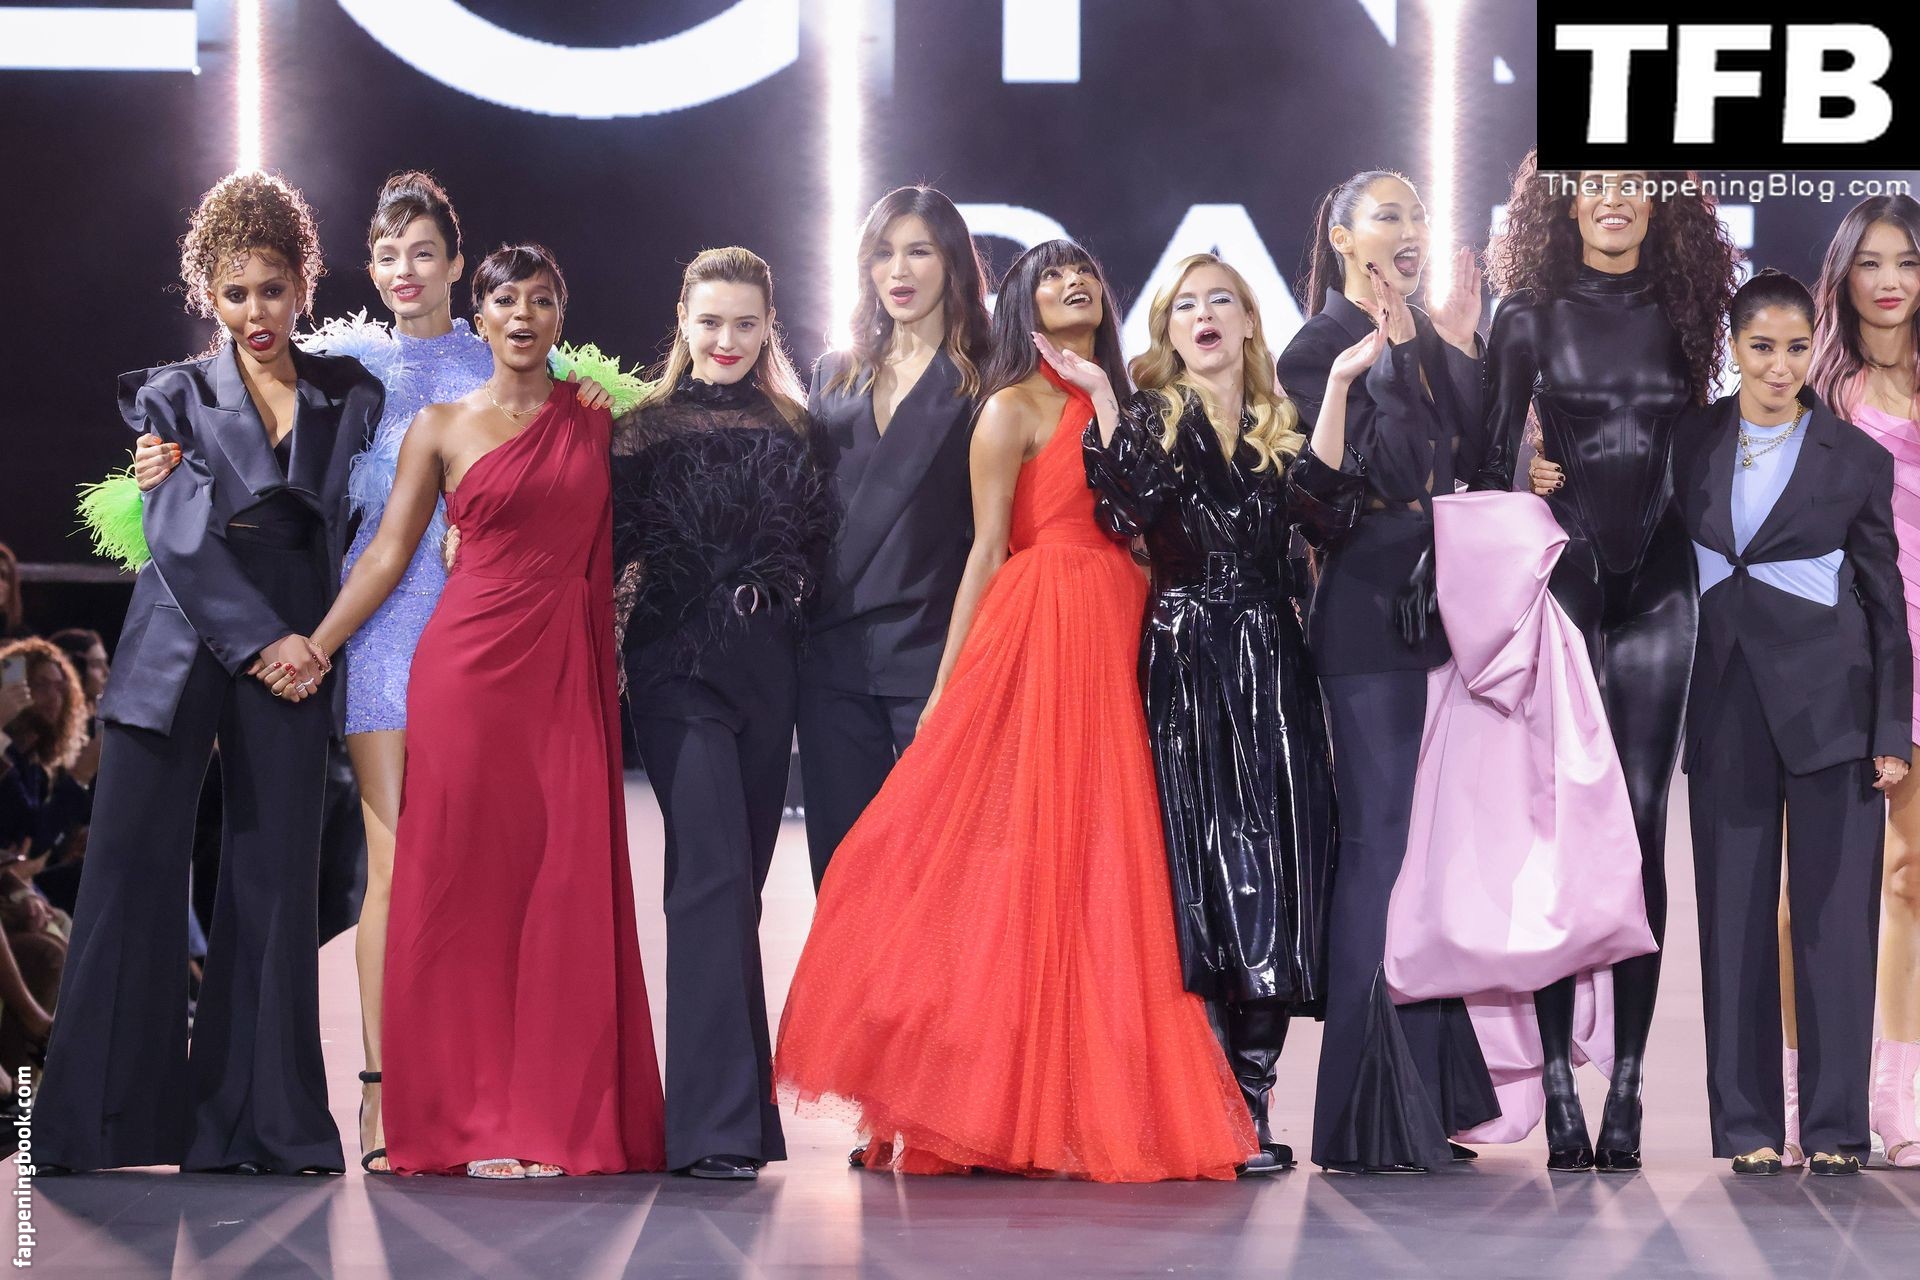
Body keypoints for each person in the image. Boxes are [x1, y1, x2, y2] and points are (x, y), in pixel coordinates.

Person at [127, 172, 615, 1172]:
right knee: (397, 864)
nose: (404, 271)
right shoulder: (345, 365)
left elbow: (585, 445)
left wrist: (602, 400)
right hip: (380, 630)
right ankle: (386, 1091)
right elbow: (241, 430)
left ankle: (489, 1083)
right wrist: (153, 461)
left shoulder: (515, 348)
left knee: (494, 862)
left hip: (498, 637)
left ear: (456, 263)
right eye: (387, 255)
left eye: (423, 252)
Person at [775, 238, 1258, 1183]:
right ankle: (967, 1100)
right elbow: (987, 548)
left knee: (1107, 865)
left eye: (1085, 273)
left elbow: (1147, 526)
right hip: (1040, 632)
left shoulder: (1137, 404)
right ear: (1021, 304)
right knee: (1007, 864)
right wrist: (948, 686)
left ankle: (1083, 1105)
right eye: (1050, 276)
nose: (1073, 283)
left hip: (1123, 630)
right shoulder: (1009, 407)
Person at [33, 171, 379, 1175]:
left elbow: (368, 513)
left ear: (303, 283)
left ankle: (261, 1128)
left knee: (276, 881)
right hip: (189, 637)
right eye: (235, 293)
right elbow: (178, 533)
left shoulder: (350, 395)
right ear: (207, 295)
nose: (255, 312)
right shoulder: (171, 394)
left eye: (272, 289)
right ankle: (96, 1127)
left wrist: (312, 640)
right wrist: (267, 641)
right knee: (128, 872)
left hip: (300, 648)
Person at [305, 243, 665, 1179]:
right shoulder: (439, 425)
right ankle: (467, 1118)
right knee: (466, 894)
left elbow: (641, 533)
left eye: (541, 301)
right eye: (506, 301)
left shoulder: (599, 419)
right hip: (464, 677)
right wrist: (318, 643)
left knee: (559, 885)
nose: (522, 316)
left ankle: (549, 1116)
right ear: (483, 315)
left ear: (560, 316)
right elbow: (388, 554)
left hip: (564, 675)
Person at [1478, 155, 1739, 1171]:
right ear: (1566, 201)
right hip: (1569, 581)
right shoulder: (1526, 316)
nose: (1616, 195)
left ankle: (1626, 1083)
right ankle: (1556, 1080)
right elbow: (1484, 469)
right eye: (1594, 180)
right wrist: (1523, 465)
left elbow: (1711, 440)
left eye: (1634, 179)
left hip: (1664, 586)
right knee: (1557, 826)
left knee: (1638, 829)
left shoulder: (1689, 311)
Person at [1082, 252, 1370, 1172]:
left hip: (1271, 657)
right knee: (1190, 864)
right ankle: (1198, 1102)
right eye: (1185, 305)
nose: (1203, 315)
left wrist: (1338, 388)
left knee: (1276, 863)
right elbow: (1124, 510)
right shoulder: (1152, 419)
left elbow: (1325, 516)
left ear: (1248, 320)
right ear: (1168, 330)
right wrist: (1104, 396)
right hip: (1181, 657)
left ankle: (1250, 1097)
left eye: (1221, 301)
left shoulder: (1281, 421)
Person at [1275, 169, 1498, 1173]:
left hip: (1449, 613)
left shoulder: (1429, 338)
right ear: (1341, 235)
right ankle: (1363, 1113)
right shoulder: (1318, 348)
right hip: (1370, 617)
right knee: (1378, 849)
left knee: (1429, 853)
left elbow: (1475, 459)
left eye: (1418, 212)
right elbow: (1386, 475)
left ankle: (1431, 1094)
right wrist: (1405, 355)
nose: (1410, 229)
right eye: (1388, 214)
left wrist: (1455, 346)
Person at [1674, 269, 1909, 1176]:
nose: (1780, 366)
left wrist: (1890, 730)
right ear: (1734, 349)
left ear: (1817, 347)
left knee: (1835, 923)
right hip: (1725, 703)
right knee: (1731, 919)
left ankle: (1839, 1130)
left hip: (1834, 711)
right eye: (1762, 347)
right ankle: (1749, 1130)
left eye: (1797, 347)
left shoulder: (1855, 458)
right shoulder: (1691, 440)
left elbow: (1886, 605)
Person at [608, 247, 834, 1180]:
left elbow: (824, 553)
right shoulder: (638, 432)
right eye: (710, 322)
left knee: (736, 887)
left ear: (769, 325)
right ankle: (708, 1129)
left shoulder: (800, 430)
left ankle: (743, 1120)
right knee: (707, 877)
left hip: (769, 673)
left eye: (745, 323)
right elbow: (593, 550)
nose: (727, 339)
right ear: (683, 322)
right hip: (674, 669)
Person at [800, 187, 991, 887]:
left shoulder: (987, 379)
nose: (899, 271)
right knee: (842, 875)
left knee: (935, 881)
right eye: (883, 253)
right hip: (833, 660)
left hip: (935, 661)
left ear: (953, 264)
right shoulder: (835, 372)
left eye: (919, 251)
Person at [1809, 193, 1920, 1168]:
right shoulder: (1818, 386)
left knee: (1910, 878)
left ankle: (1897, 1093)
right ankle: (1802, 1090)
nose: (1891, 281)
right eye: (1873, 262)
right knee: (1808, 892)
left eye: (1909, 262)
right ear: (1844, 275)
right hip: (1846, 654)